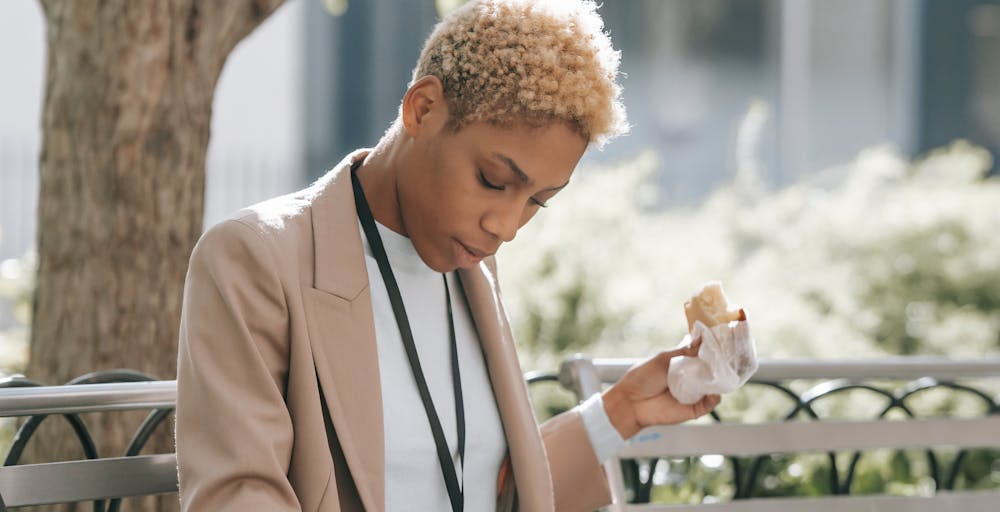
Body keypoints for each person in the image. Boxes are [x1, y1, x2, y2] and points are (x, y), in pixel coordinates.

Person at [175, 1, 720, 511]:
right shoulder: (255, 259)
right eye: (494, 180)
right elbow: (239, 495)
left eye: (537, 202)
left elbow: (483, 486)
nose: (505, 227)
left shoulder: (473, 268)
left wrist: (623, 410)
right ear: (424, 107)